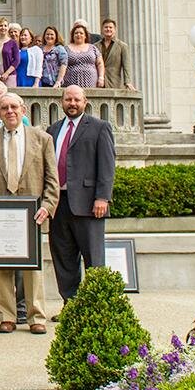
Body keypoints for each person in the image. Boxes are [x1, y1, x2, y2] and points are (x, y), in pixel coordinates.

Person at [0, 93, 58, 335]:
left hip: (31, 215)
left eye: (13, 107)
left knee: (32, 268)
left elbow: (52, 179)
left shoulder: (43, 139)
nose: (9, 111)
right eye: (4, 108)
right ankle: (6, 316)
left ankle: (36, 316)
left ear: (23, 110)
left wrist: (47, 206)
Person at [48, 85, 117, 302]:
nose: (72, 103)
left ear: (85, 101)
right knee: (64, 257)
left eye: (76, 99)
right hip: (58, 203)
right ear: (62, 102)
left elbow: (107, 165)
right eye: (68, 99)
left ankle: (96, 306)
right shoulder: (53, 130)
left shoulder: (99, 127)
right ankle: (71, 304)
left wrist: (102, 197)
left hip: (89, 204)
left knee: (93, 258)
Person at [62, 22, 105, 89]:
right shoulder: (65, 49)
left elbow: (100, 63)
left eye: (81, 33)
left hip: (91, 81)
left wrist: (101, 77)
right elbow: (62, 64)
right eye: (76, 33)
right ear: (73, 36)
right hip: (70, 82)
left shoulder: (93, 48)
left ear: (85, 36)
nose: (78, 35)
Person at [99, 19, 134, 90]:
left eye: (110, 27)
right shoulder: (95, 46)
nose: (108, 29)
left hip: (114, 82)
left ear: (115, 30)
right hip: (98, 82)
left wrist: (127, 82)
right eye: (106, 27)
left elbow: (126, 66)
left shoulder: (122, 46)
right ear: (102, 29)